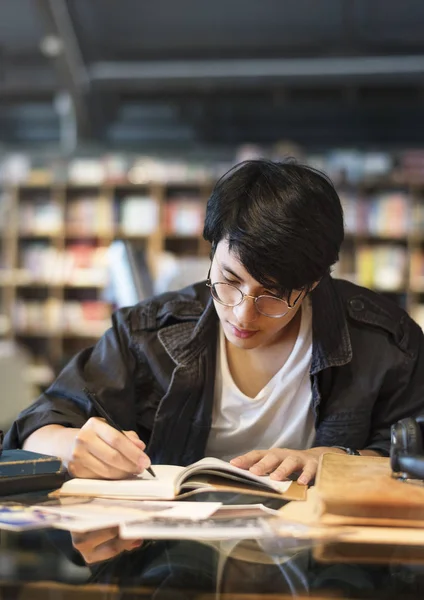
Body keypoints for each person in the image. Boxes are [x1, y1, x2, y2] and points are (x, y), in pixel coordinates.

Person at [5, 159, 424, 485]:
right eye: (229, 280)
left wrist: (335, 462)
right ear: (211, 253)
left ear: (313, 282)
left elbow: (414, 452)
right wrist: (66, 444)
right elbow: (35, 427)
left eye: (274, 295)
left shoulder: (386, 342)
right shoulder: (147, 334)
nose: (243, 314)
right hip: (169, 563)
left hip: (322, 569)